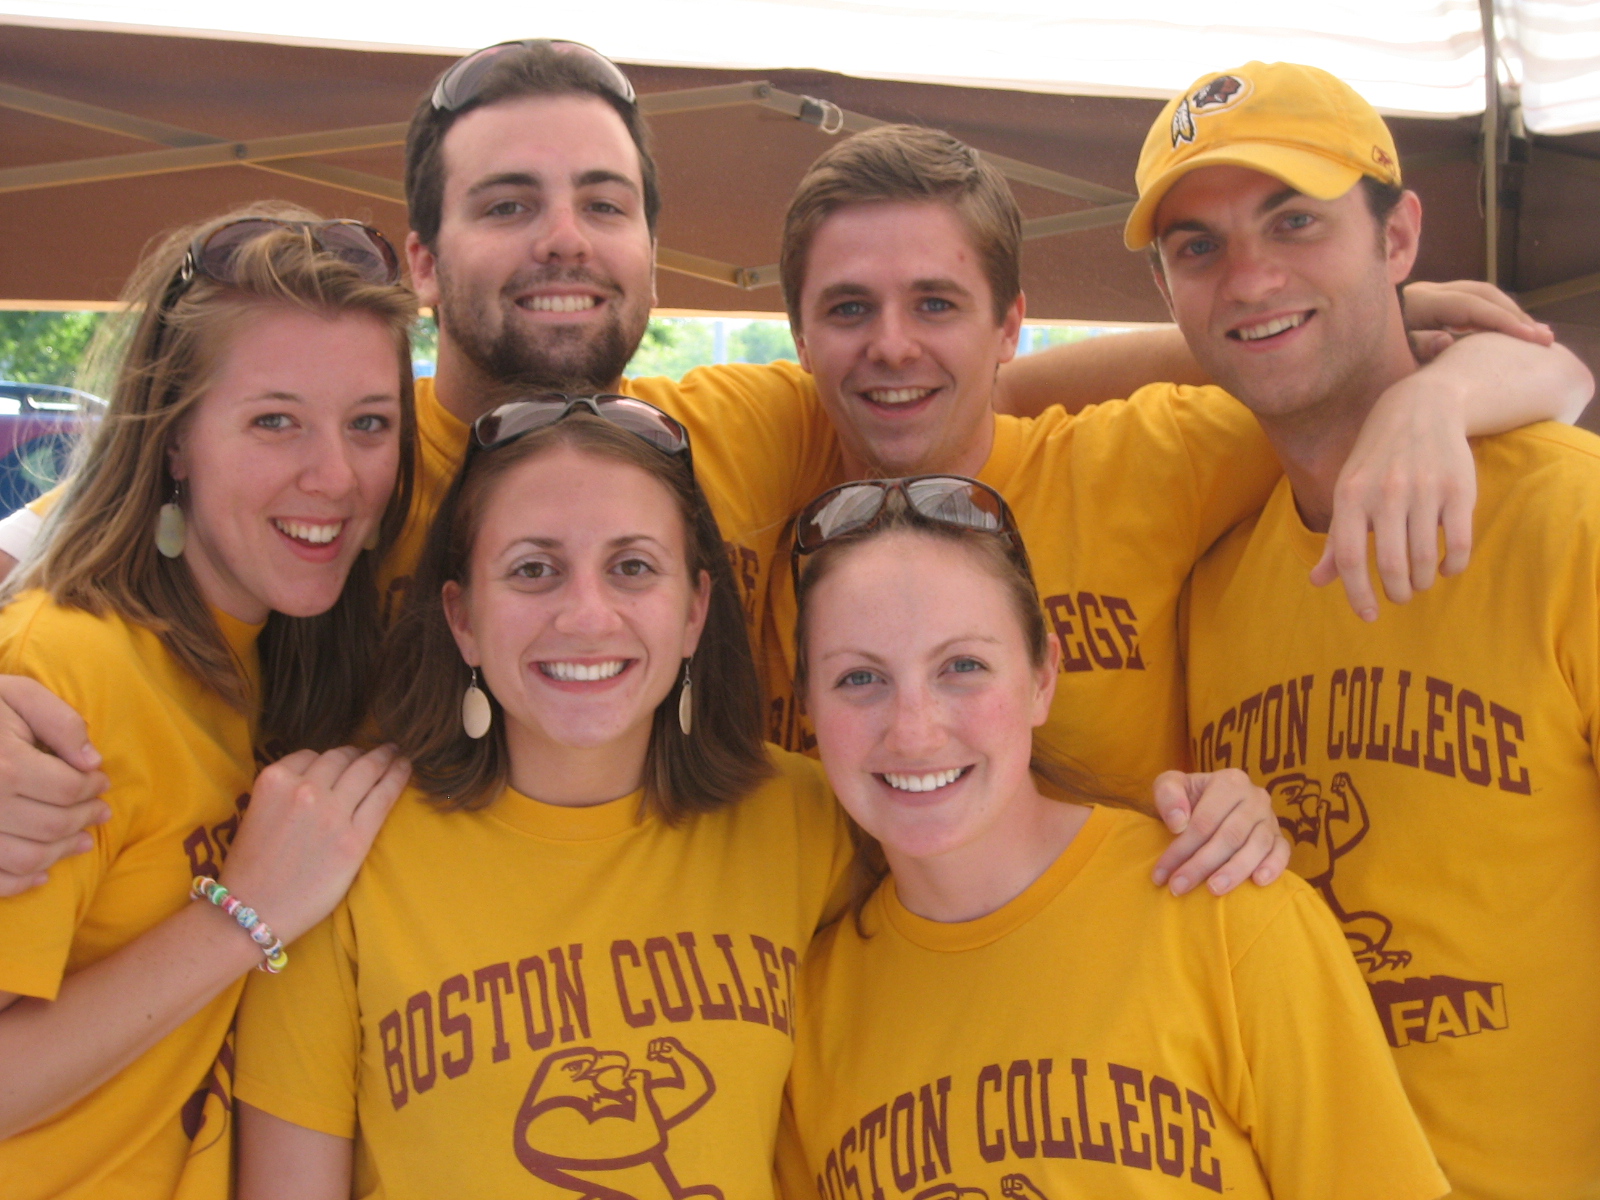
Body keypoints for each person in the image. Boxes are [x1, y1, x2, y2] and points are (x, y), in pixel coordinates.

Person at [0, 39, 1575, 895]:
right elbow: (110, 545)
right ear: (422, 258)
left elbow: (986, 390)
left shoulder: (719, 436)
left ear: (651, 247)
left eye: (604, 203)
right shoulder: (344, 460)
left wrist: (1432, 364)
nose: (564, 239)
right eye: (509, 204)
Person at [755, 123, 1591, 890]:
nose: (892, 345)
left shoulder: (1150, 461)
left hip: (1157, 975)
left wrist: (1433, 394)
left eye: (936, 304)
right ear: (799, 337)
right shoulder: (765, 515)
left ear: (1010, 326)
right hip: (877, 984)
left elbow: (1494, 375)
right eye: (849, 308)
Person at [1142, 62, 1598, 1199]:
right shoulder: (1211, 589)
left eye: (1294, 221)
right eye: (1198, 247)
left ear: (1398, 239)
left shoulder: (1570, 515)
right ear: (1166, 291)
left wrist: (1435, 396)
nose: (1250, 277)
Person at [231, 398, 851, 1197]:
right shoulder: (338, 845)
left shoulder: (807, 820)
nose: (587, 615)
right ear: (462, 618)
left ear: (695, 612)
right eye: (533, 570)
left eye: (632, 567)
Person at [778, 480, 1448, 1200]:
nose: (913, 730)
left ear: (1043, 678)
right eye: (859, 678)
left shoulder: (1225, 910)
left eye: (962, 667)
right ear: (807, 706)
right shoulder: (807, 1019)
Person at [0, 207, 416, 1199]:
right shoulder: (63, 675)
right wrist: (242, 917)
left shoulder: (276, 659)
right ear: (175, 438)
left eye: (369, 423)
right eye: (275, 421)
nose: (335, 476)